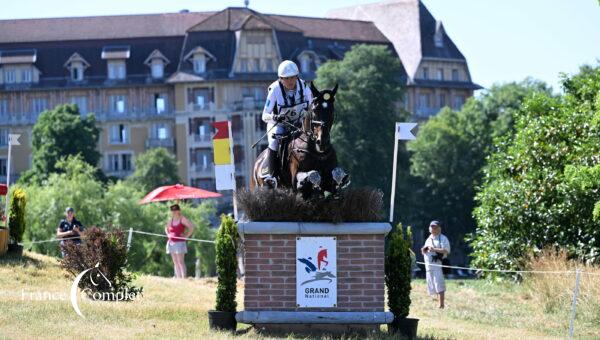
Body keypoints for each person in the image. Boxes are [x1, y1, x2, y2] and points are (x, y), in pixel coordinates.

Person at [261, 60, 313, 186]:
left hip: (299, 124)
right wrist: (275, 117)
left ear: (297, 76)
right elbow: (264, 115)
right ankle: (271, 176)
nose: (290, 81)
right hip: (279, 125)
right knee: (273, 142)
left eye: (292, 77)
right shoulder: (274, 90)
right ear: (281, 78)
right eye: (286, 78)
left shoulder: (304, 86)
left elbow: (312, 105)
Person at [421, 220, 451, 309]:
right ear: (429, 228)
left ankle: (441, 305)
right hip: (429, 265)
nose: (433, 228)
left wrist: (434, 249)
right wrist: (424, 250)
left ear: (439, 228)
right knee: (432, 284)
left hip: (438, 265)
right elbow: (425, 251)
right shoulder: (428, 239)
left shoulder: (443, 238)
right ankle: (438, 303)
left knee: (439, 283)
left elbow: (446, 250)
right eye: (432, 227)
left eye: (435, 227)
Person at [165, 204, 195, 279]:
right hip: (171, 242)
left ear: (179, 210)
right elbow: (166, 228)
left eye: (176, 210)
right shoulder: (170, 219)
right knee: (175, 261)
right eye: (172, 210)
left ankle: (183, 278)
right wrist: (168, 234)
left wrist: (186, 236)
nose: (174, 212)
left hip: (180, 242)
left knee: (180, 261)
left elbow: (191, 227)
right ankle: (178, 278)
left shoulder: (182, 219)